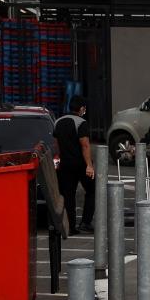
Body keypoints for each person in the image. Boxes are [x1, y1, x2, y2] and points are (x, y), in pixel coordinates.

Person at [53, 96, 95, 235]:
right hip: (80, 164)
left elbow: (56, 146)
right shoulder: (81, 123)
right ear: (82, 108)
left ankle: (70, 227)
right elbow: (85, 145)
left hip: (65, 165)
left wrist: (58, 163)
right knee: (92, 190)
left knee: (68, 195)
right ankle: (85, 223)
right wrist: (89, 165)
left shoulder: (57, 122)